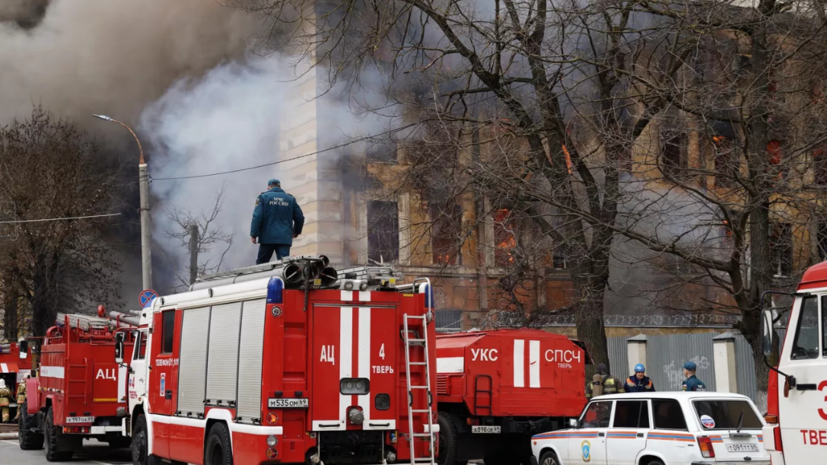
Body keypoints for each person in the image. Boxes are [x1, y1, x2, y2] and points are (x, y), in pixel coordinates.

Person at [250, 178, 304, 265]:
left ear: (268, 187)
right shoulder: (290, 199)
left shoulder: (263, 197)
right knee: (285, 266)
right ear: (280, 187)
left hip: (267, 238)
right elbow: (300, 217)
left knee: (261, 266)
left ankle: (264, 279)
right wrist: (296, 231)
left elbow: (257, 216)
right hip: (284, 238)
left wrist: (254, 234)